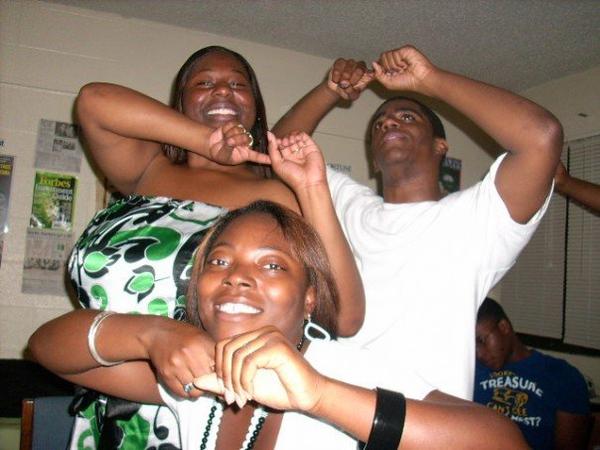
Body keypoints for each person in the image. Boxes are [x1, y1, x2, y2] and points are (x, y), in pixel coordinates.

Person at [30, 199, 528, 450]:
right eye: (219, 262)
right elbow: (47, 349)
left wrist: (319, 395)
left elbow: (504, 442)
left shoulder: (344, 369)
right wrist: (153, 334)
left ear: (309, 297)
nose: (237, 277)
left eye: (272, 265)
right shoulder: (200, 376)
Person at [68, 46, 364, 449]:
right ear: (179, 104)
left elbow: (344, 316)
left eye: (238, 84)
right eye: (204, 82)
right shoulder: (146, 171)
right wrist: (209, 142)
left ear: (255, 110)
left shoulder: (274, 198)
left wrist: (310, 184)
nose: (223, 90)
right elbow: (94, 100)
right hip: (99, 393)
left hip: (198, 409)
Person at [273, 45, 563, 400]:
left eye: (407, 117)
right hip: (334, 409)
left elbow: (542, 137)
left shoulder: (475, 218)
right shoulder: (350, 204)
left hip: (424, 420)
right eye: (379, 125)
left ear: (441, 146)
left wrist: (430, 79)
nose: (388, 123)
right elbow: (281, 150)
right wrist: (330, 90)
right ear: (374, 160)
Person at [474, 297, 590, 450]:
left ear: (503, 327)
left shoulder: (562, 376)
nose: (479, 354)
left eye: (481, 341)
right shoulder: (471, 372)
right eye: (472, 345)